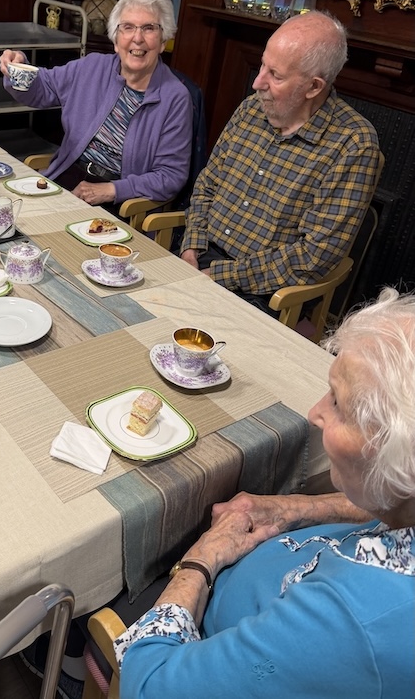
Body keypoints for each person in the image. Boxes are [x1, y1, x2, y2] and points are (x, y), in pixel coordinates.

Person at [114, 288, 415, 698]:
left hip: (196, 636)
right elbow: (397, 507)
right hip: (271, 558)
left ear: (400, 454)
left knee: (126, 555)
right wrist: (293, 508)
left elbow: (150, 687)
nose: (315, 413)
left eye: (340, 405)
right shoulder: (402, 500)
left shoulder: (349, 623)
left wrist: (200, 562)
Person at [179, 10, 380, 313]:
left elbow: (314, 256)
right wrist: (190, 247)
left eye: (276, 75)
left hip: (264, 293)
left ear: (314, 87)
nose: (257, 83)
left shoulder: (354, 145)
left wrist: (216, 276)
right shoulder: (251, 110)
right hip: (198, 258)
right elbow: (208, 184)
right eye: (262, 65)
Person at [0, 0, 194, 207]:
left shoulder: (175, 98)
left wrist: (112, 190)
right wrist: (18, 66)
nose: (137, 38)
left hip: (121, 201)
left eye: (149, 28)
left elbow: (171, 176)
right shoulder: (92, 67)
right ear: (115, 39)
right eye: (128, 27)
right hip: (68, 176)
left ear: (163, 40)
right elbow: (43, 88)